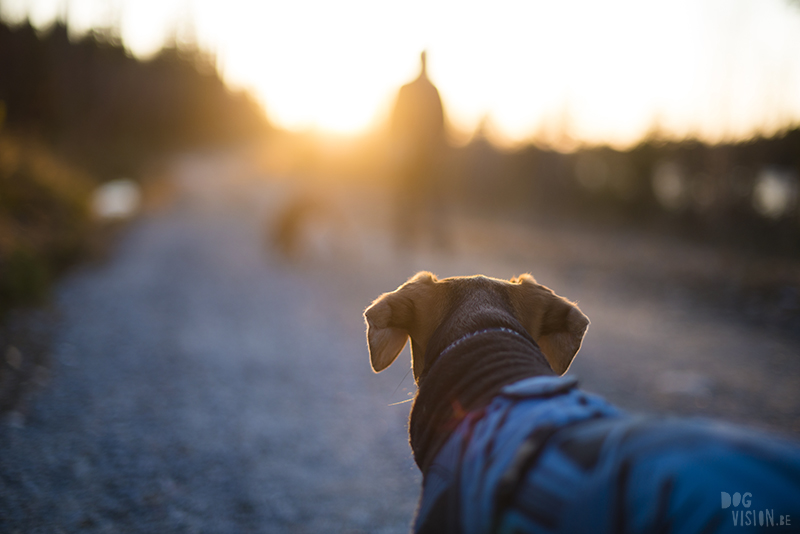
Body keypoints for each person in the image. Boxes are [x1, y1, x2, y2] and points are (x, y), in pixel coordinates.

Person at [389, 51, 448, 249]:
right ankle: (405, 237)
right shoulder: (415, 90)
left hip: (425, 153)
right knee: (409, 196)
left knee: (431, 198)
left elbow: (440, 123)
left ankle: (436, 240)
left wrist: (437, 149)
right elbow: (396, 119)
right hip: (412, 152)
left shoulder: (429, 90)